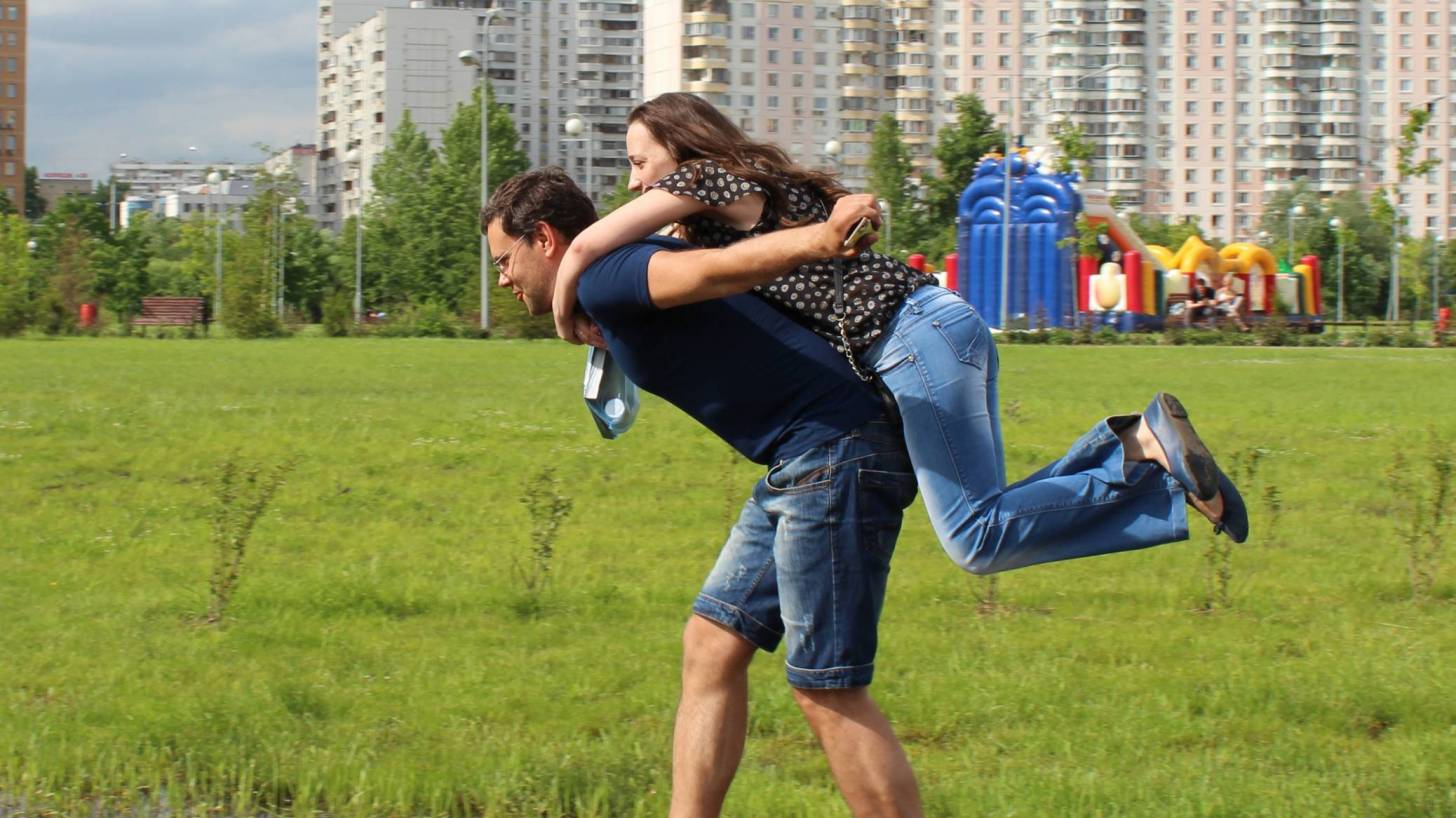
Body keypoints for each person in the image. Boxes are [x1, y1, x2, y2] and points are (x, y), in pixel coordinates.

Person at [483, 167, 1245, 817]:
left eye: (505, 260)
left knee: (827, 688)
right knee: (712, 646)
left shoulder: (616, 274)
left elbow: (725, 271)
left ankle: (1136, 463)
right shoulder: (613, 292)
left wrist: (819, 239)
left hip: (833, 455)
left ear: (546, 238)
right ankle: (1129, 456)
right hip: (799, 459)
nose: (504, 279)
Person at [549, 92, 1247, 577]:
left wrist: (563, 311)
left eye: (640, 162)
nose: (635, 182)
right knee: (986, 516)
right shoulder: (755, 185)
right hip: (940, 325)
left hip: (911, 341)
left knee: (977, 537)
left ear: (682, 145)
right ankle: (1131, 450)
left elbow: (587, 249)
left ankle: (1145, 459)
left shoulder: (709, 179)